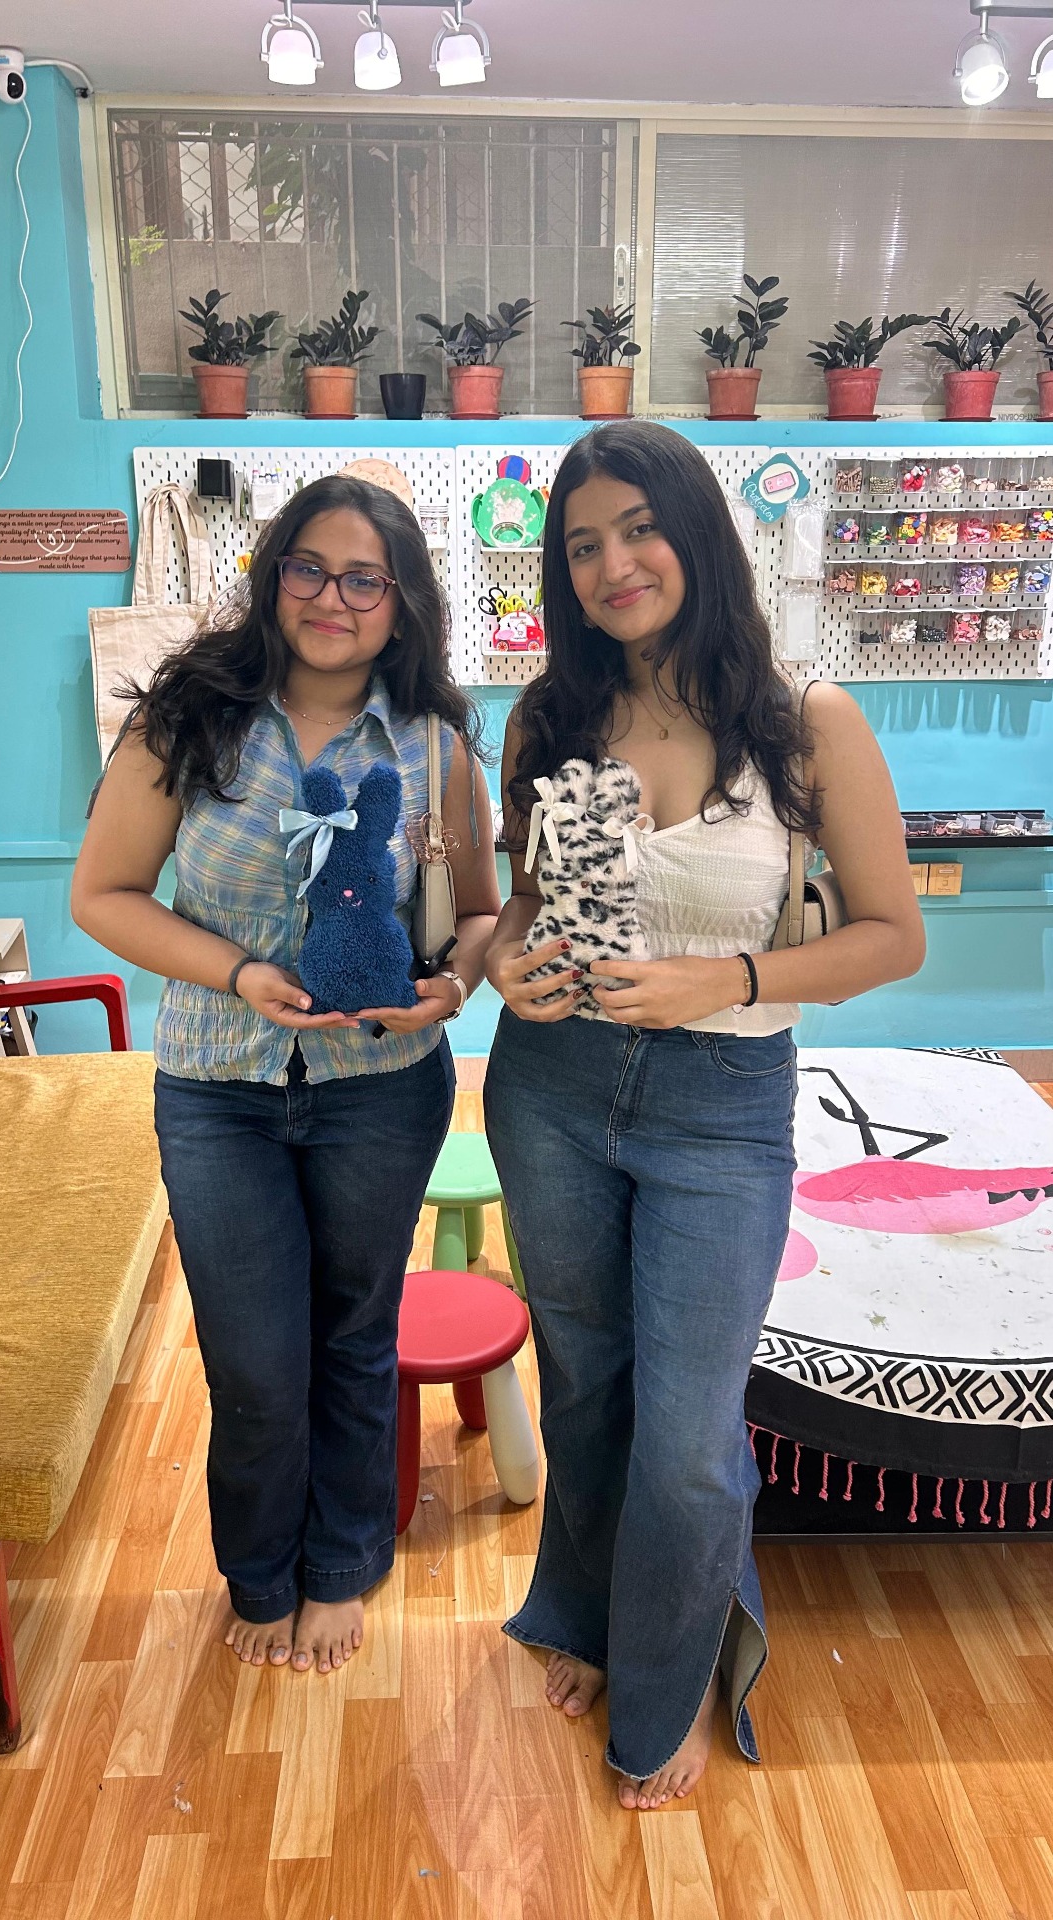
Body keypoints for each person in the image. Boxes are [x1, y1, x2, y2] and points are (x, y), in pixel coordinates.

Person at [483, 422, 924, 1812]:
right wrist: (502, 962)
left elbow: (891, 937)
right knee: (586, 1385)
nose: (613, 564)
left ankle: (669, 1683)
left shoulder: (805, 723)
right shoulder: (548, 717)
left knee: (687, 1434)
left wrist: (724, 978)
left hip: (723, 1108)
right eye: (582, 545)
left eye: (638, 528)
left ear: (698, 533)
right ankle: (581, 1612)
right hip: (549, 1088)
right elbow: (520, 906)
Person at [73, 475, 500, 1677]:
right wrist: (239, 972)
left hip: (383, 1083)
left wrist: (455, 986)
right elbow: (102, 895)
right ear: (273, 575)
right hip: (220, 1087)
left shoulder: (432, 746)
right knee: (255, 1361)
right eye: (310, 567)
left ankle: (341, 1566)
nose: (332, 598)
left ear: (402, 603)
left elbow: (476, 914)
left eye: (366, 579)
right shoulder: (189, 723)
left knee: (356, 1334)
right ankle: (260, 1573)